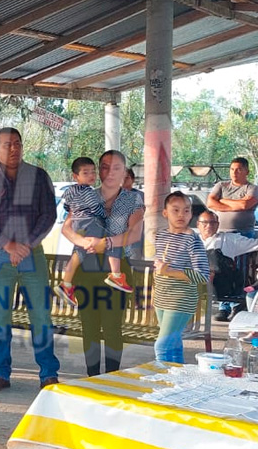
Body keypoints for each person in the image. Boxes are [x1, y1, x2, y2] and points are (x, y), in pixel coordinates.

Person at [0, 127, 59, 392]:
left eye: (17, 144)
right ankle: (0, 373)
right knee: (0, 316)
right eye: (7, 144)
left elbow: (49, 214)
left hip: (32, 254)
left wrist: (27, 245)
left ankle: (48, 374)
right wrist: (8, 245)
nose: (13, 149)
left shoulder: (38, 176)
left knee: (41, 315)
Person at [60, 150, 145, 376]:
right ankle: (93, 377)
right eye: (104, 167)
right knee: (88, 326)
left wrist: (105, 243)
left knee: (111, 327)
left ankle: (112, 377)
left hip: (116, 270)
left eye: (116, 167)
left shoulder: (133, 198)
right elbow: (66, 228)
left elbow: (135, 234)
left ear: (124, 171)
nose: (109, 172)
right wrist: (85, 242)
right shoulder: (86, 194)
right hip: (86, 267)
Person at [151, 191, 210, 364]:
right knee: (174, 344)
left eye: (186, 211)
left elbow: (202, 275)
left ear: (191, 213)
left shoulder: (193, 240)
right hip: (162, 298)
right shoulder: (161, 235)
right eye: (175, 210)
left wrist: (168, 272)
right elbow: (160, 267)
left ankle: (161, 382)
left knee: (161, 346)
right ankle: (178, 382)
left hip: (181, 299)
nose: (181, 215)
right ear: (165, 213)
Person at [59, 156, 130, 296]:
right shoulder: (89, 192)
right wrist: (105, 215)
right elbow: (96, 209)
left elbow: (66, 207)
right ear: (76, 176)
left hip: (78, 223)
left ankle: (66, 283)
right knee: (112, 237)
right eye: (86, 173)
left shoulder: (70, 191)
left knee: (78, 253)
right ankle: (116, 274)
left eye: (93, 172)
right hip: (91, 222)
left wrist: (76, 212)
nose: (91, 175)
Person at [196, 211, 258, 322]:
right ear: (198, 224)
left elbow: (257, 243)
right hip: (197, 281)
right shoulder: (192, 240)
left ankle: (230, 306)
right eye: (205, 223)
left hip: (221, 283)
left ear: (218, 225)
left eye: (212, 222)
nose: (209, 226)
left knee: (215, 255)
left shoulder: (228, 239)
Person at [206, 157, 258, 238]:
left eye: (238, 169)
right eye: (232, 169)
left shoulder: (253, 188)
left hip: (244, 233)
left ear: (247, 172)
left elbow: (244, 205)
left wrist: (222, 200)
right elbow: (210, 203)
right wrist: (235, 207)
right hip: (221, 233)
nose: (234, 172)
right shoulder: (221, 185)